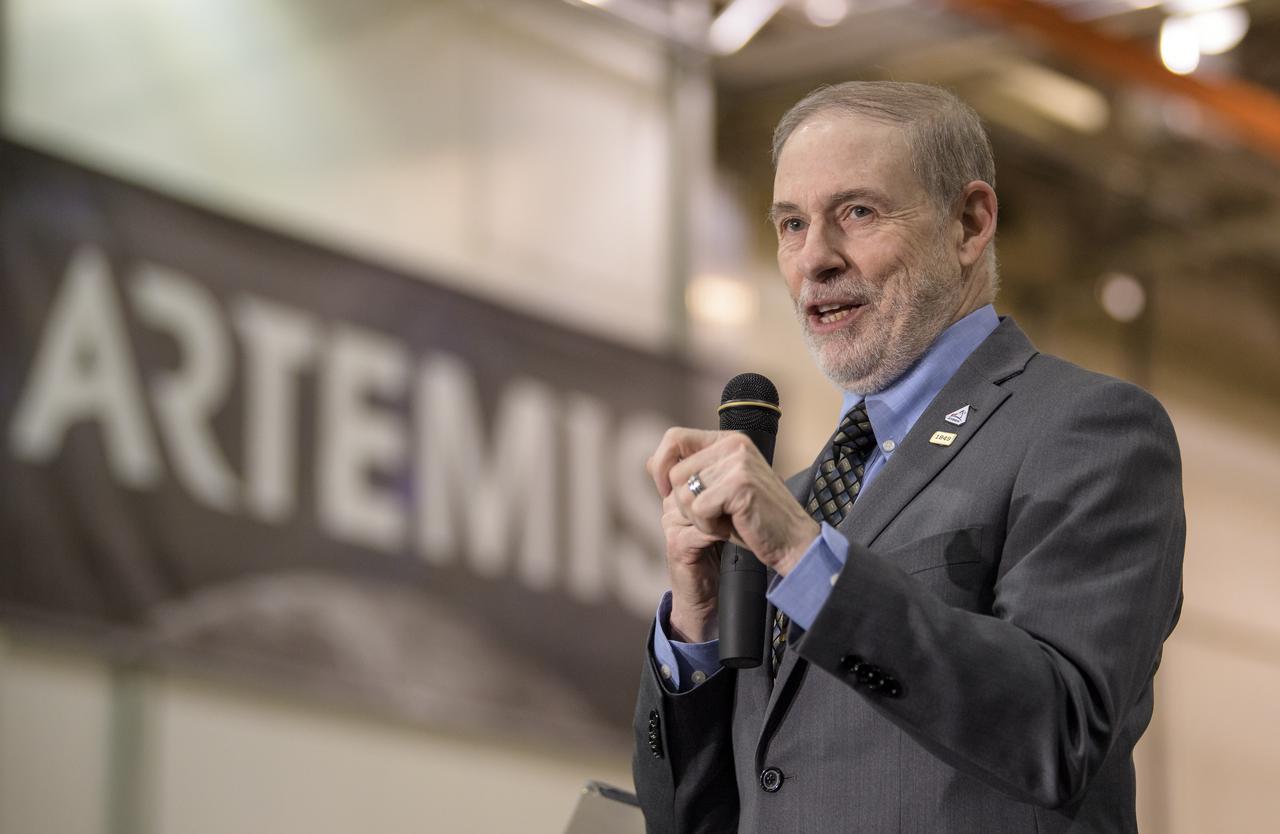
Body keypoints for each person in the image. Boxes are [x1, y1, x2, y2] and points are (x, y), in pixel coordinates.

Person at [631, 81, 1184, 834]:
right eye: (792, 224)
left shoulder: (1088, 430)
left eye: (857, 212)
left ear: (970, 223)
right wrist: (695, 624)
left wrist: (804, 557)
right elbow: (691, 817)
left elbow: (1060, 731)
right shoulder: (801, 504)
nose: (814, 259)